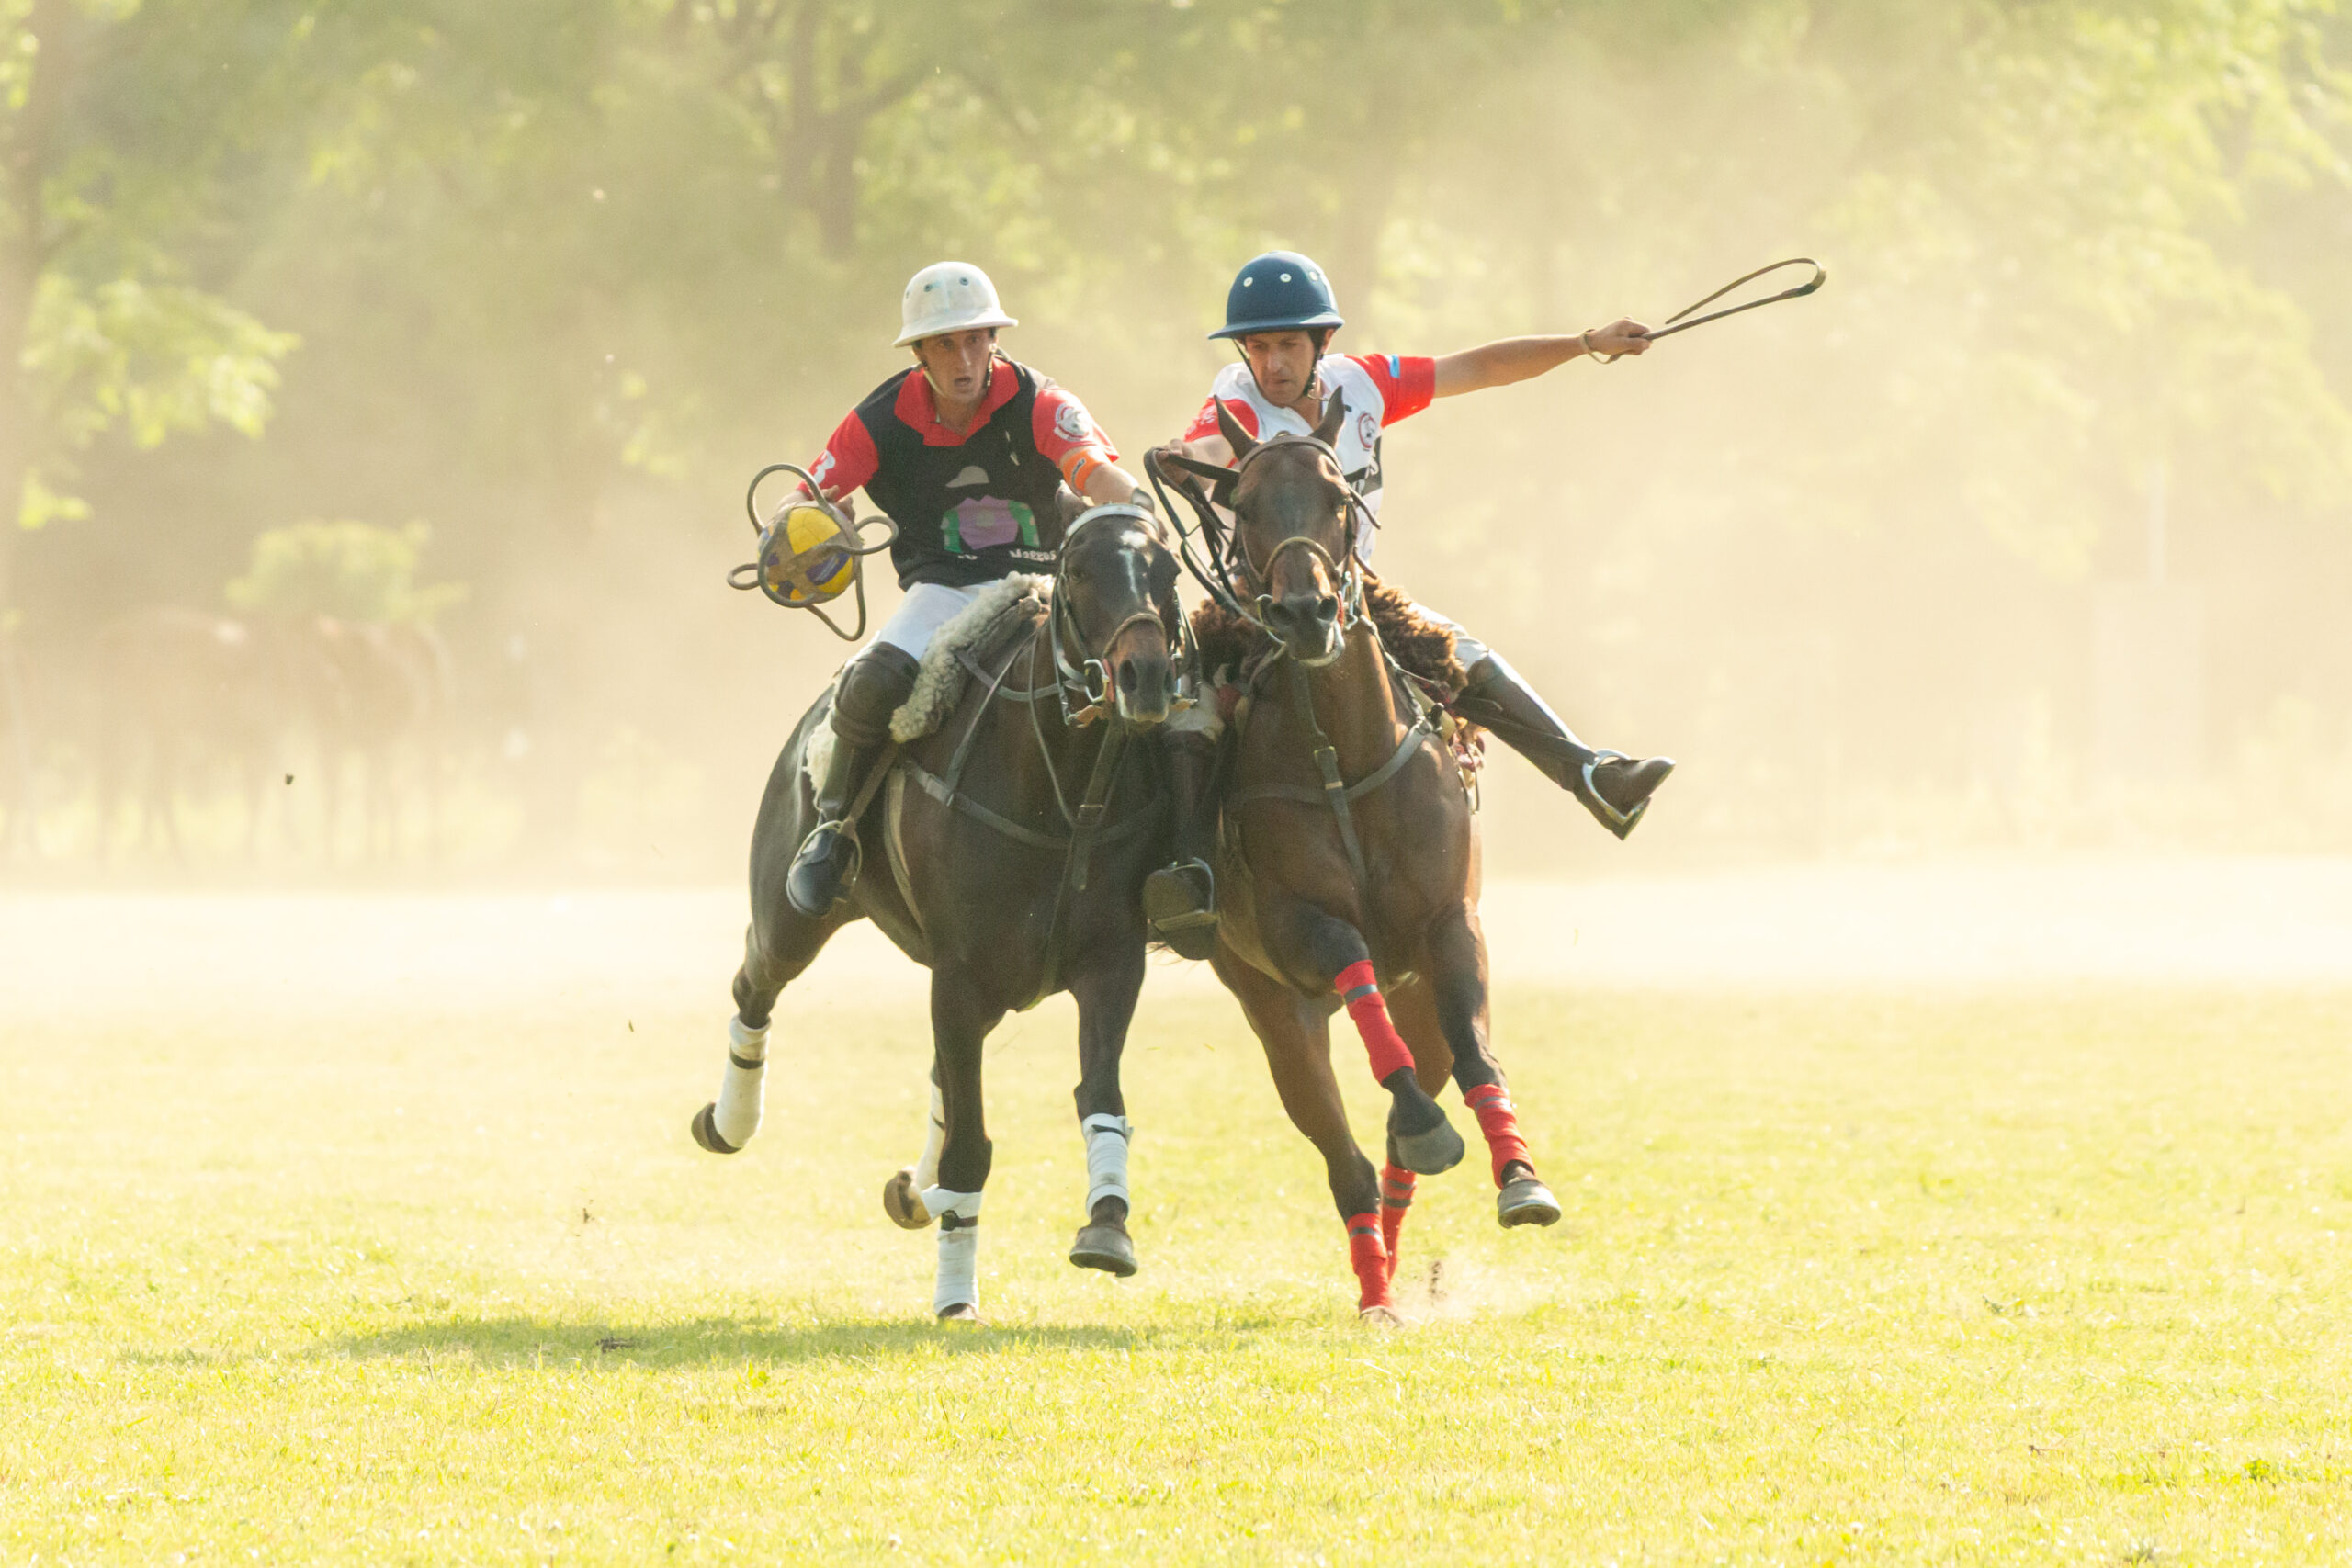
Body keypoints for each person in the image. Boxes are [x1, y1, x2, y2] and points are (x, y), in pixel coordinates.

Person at [1149, 251, 1674, 944]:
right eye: (1258, 347)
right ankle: (1185, 871)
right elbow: (1212, 444)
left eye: (1287, 345)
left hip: (1353, 596)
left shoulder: (1364, 385)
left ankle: (1592, 776)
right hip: (1258, 604)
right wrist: (1189, 460)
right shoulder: (1236, 398)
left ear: (1322, 344)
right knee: (1185, 710)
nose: (1271, 363)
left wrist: (1584, 344)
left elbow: (1477, 368)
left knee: (1465, 653)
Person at [780, 261, 1197, 919]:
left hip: (1045, 582)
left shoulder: (1041, 401)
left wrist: (1141, 511)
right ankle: (833, 831)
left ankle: (1187, 851)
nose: (964, 357)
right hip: (943, 588)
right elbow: (801, 498)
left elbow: (1093, 471)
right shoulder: (880, 419)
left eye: (976, 339)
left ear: (995, 341)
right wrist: (808, 526)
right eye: (945, 344)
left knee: (1164, 670)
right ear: (919, 352)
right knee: (872, 682)